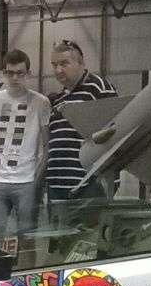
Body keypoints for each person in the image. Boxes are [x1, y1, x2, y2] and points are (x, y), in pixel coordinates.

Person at [0, 49, 52, 247]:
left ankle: (25, 269)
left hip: (26, 181)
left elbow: (47, 144)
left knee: (27, 241)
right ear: (4, 73)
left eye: (20, 73)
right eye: (10, 73)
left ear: (28, 74)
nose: (15, 78)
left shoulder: (41, 103)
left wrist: (36, 178)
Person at [45, 39, 118, 219]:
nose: (58, 70)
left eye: (64, 63)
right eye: (54, 65)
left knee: (88, 235)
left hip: (88, 186)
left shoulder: (99, 88)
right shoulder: (59, 99)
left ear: (81, 63)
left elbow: (117, 130)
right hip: (57, 187)